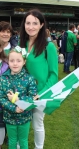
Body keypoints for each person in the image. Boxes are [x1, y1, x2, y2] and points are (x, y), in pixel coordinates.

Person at [20, 9, 58, 149]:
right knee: (21, 123)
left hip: (40, 94)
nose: (31, 26)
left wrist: (41, 94)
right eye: (28, 23)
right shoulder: (21, 44)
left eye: (35, 23)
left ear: (41, 25)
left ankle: (38, 147)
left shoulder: (49, 47)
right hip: (22, 93)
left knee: (37, 124)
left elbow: (53, 74)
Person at [0, 46, 37, 149]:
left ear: (24, 62)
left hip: (25, 117)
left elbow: (33, 97)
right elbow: (0, 97)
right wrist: (14, 108)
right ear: (8, 62)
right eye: (12, 60)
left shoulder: (29, 78)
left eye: (18, 61)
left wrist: (20, 102)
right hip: (9, 117)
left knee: (23, 140)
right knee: (12, 140)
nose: (15, 63)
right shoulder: (4, 78)